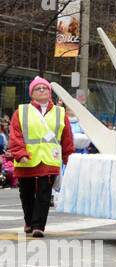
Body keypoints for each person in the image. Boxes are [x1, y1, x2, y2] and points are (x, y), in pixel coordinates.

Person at [6, 78, 75, 237]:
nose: (42, 90)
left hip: (50, 159)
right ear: (32, 93)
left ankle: (38, 226)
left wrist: (68, 158)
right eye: (38, 88)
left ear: (50, 92)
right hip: (27, 159)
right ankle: (29, 221)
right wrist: (20, 153)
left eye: (45, 88)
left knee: (44, 194)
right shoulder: (21, 111)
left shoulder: (60, 112)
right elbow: (15, 134)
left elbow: (67, 137)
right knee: (26, 193)